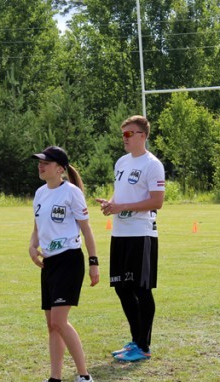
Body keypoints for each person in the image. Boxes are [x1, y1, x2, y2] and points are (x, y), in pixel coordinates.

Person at [27, 146, 99, 382]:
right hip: (49, 264)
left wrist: (94, 262)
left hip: (69, 261)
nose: (40, 165)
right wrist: (33, 246)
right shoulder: (39, 193)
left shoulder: (72, 193)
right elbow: (38, 226)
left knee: (59, 321)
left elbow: (86, 229)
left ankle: (85, 377)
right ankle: (55, 380)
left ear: (60, 169)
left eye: (45, 162)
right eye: (40, 162)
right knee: (51, 325)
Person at [95, 115, 165, 362]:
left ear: (142, 136)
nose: (124, 138)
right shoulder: (121, 162)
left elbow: (157, 201)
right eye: (122, 134)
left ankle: (143, 346)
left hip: (141, 234)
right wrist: (111, 204)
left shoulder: (152, 164)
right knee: (122, 288)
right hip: (120, 233)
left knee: (141, 289)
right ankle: (136, 340)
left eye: (128, 134)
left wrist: (122, 206)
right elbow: (121, 195)